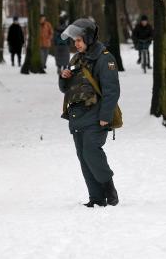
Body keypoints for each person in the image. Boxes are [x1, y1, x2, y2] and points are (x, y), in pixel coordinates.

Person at [59, 18, 120, 208]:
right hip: (76, 116)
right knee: (83, 156)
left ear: (88, 38)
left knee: (91, 152)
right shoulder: (76, 58)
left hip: (95, 115)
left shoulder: (104, 57)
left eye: (79, 40)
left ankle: (110, 190)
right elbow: (66, 89)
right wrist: (64, 78)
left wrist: (105, 117)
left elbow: (112, 90)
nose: (75, 44)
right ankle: (96, 197)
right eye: (74, 41)